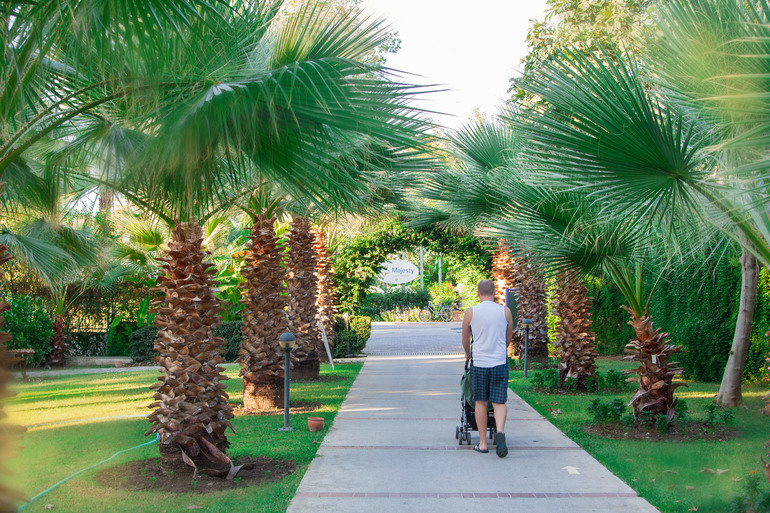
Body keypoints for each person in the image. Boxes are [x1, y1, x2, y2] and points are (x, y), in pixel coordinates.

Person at [461, 279, 513, 457]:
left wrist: (468, 353)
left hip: (480, 363)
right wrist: (501, 349)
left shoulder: (471, 312)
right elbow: (508, 337)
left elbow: (465, 338)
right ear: (494, 292)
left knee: (481, 402)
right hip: (499, 362)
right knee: (499, 402)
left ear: (478, 293)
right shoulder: (505, 311)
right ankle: (500, 432)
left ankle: (483, 443)